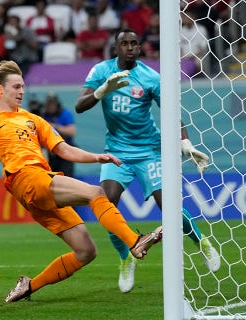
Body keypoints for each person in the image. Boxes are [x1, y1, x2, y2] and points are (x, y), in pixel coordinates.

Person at [0, 60, 163, 303]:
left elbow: (63, 150)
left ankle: (29, 286)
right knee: (95, 193)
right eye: (16, 87)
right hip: (26, 178)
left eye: (23, 87)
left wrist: (96, 157)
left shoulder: (34, 119)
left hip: (39, 187)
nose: (22, 92)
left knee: (86, 251)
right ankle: (135, 243)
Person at [74, 29, 221, 294]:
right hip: (117, 152)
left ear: (140, 48)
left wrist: (185, 143)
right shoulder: (100, 71)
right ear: (115, 47)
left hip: (149, 151)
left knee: (170, 206)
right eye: (124, 43)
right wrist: (102, 91)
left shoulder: (151, 78)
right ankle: (125, 258)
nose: (130, 47)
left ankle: (201, 242)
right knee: (106, 205)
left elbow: (173, 112)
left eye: (134, 43)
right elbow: (79, 106)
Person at [42, 93, 76, 177]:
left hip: (65, 150)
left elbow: (72, 131)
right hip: (50, 152)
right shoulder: (42, 115)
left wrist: (55, 127)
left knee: (67, 176)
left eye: (52, 104)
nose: (51, 106)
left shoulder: (64, 113)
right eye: (49, 104)